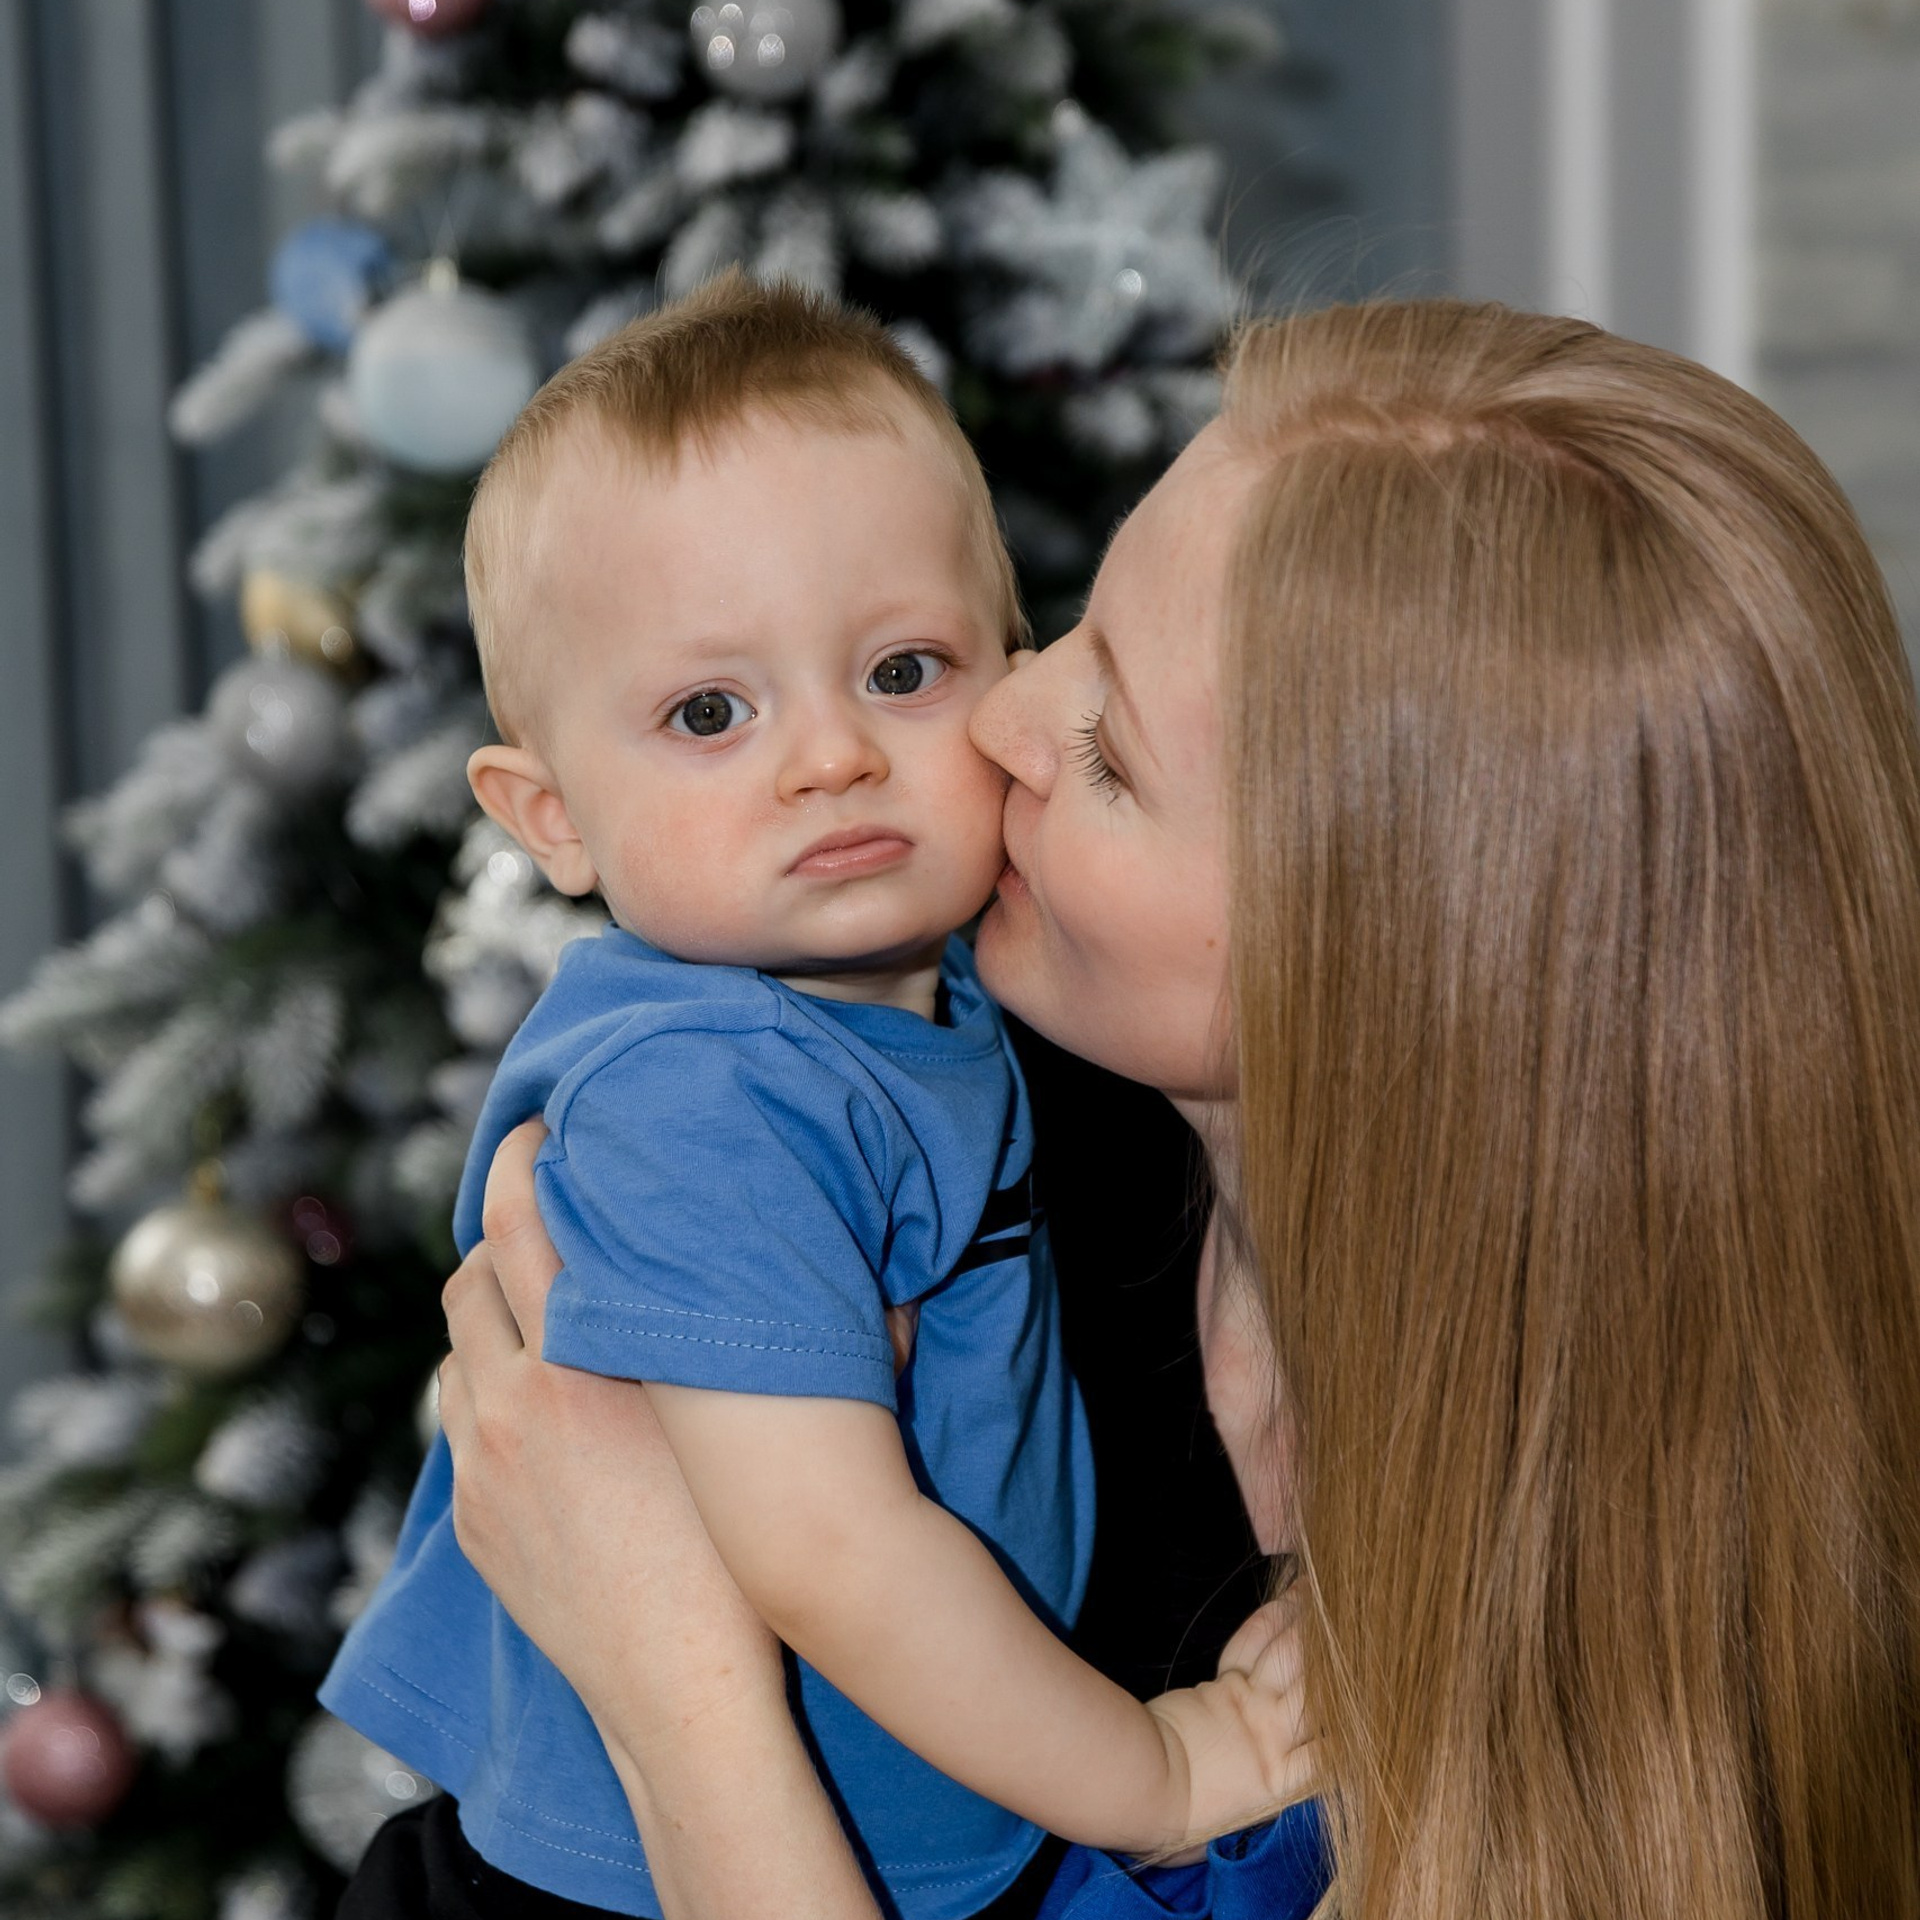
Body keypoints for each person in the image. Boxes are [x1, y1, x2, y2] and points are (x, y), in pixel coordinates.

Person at [436, 295, 1920, 1920]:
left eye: (1111, 752)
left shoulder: (1684, 1607)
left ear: (1380, 960)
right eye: (1070, 632)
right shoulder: (857, 1085)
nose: (1001, 717)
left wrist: (683, 1702)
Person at [324, 274, 1314, 1920]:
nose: (833, 755)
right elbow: (826, 1548)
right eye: (711, 712)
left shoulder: (936, 1012)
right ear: (549, 817)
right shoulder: (701, 1095)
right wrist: (1164, 1773)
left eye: (904, 670)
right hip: (629, 1883)